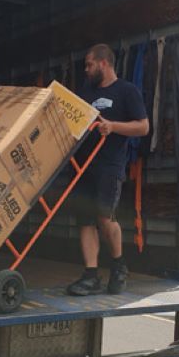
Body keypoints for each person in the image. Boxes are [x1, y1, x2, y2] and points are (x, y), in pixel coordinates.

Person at [66, 43, 149, 296]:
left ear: (104, 63)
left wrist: (112, 127)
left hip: (109, 165)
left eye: (89, 65)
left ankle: (118, 266)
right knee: (85, 220)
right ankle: (91, 275)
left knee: (105, 217)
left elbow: (143, 127)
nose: (87, 70)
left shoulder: (127, 91)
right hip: (83, 164)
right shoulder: (86, 92)